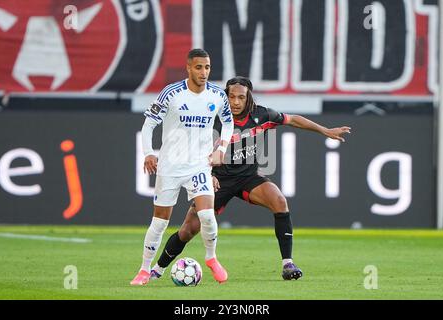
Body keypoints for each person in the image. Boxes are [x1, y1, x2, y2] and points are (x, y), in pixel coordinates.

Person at [148, 76, 351, 281]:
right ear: (225, 97)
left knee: (279, 201)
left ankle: (287, 264)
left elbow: (293, 119)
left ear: (248, 98)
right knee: (188, 230)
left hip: (248, 178)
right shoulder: (213, 117)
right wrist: (207, 174)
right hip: (219, 180)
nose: (235, 102)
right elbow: (192, 148)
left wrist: (324, 130)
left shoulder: (261, 115)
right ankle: (157, 269)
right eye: (231, 97)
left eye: (241, 97)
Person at [130, 49, 234, 286]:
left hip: (199, 166)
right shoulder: (172, 93)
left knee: (207, 215)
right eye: (199, 67)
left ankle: (211, 258)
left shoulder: (217, 95)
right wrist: (148, 153)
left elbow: (228, 122)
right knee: (160, 222)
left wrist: (221, 148)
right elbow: (149, 125)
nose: (204, 72)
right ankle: (144, 269)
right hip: (170, 167)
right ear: (188, 68)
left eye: (207, 67)